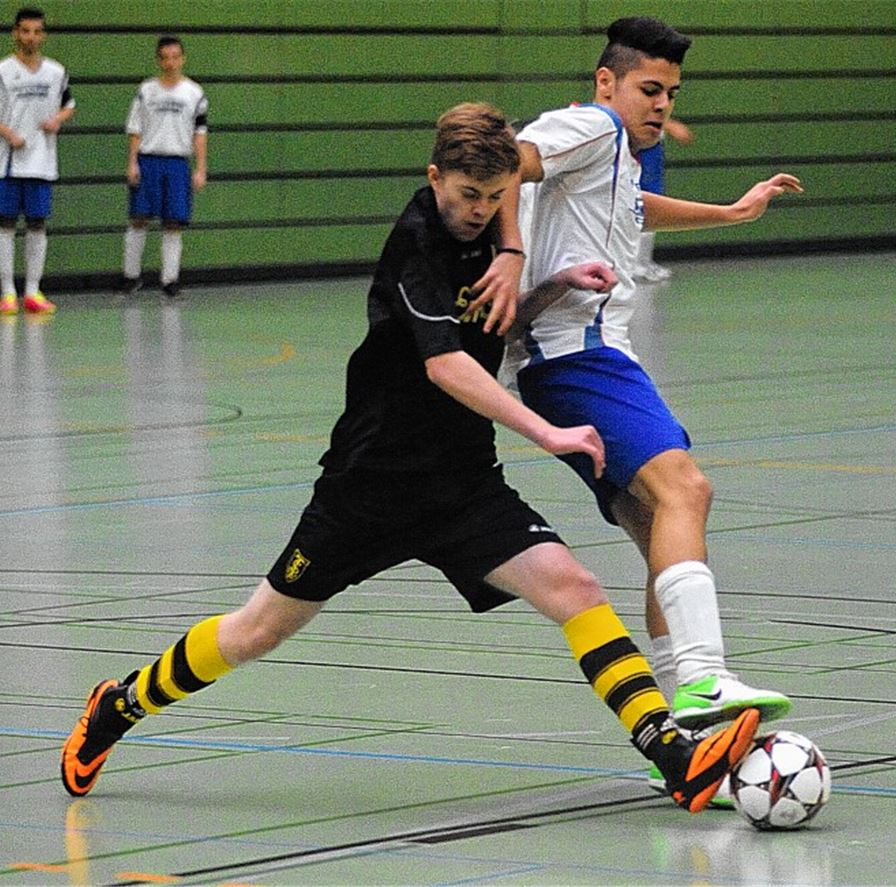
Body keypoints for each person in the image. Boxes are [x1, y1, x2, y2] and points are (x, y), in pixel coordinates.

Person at [61, 102, 760, 815]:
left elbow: (493, 320)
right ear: (435, 178)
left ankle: (672, 753)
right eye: (468, 196)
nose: (481, 211)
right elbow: (447, 363)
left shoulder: (496, 237)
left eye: (495, 198)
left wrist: (554, 284)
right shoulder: (416, 243)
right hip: (369, 488)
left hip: (462, 485)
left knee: (575, 587)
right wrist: (544, 432)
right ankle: (119, 704)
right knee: (256, 630)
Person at [505, 16, 803, 735]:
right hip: (576, 353)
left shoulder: (614, 154)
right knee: (687, 490)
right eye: (649, 88)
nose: (662, 104)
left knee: (657, 524)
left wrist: (731, 211)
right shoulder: (592, 129)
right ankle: (702, 676)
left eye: (671, 91)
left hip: (574, 356)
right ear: (606, 82)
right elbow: (507, 157)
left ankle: (686, 731)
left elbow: (633, 209)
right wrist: (508, 253)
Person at [0, 7, 75, 316]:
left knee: (37, 224)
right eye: (24, 31)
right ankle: (7, 292)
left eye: (36, 31)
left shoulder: (56, 72)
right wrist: (8, 133)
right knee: (5, 223)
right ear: (15, 33)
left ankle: (32, 291)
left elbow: (69, 104)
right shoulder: (0, 71)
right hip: (8, 161)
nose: (30, 37)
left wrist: (58, 118)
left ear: (43, 35)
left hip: (42, 161)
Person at [119, 36, 208, 298]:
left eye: (175, 57)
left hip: (178, 163)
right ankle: (130, 277)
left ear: (183, 59)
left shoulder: (195, 93)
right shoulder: (146, 90)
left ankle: (170, 280)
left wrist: (200, 168)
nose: (170, 63)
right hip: (148, 160)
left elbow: (200, 132)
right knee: (139, 218)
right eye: (165, 58)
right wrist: (132, 162)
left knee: (173, 222)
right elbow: (135, 128)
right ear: (158, 60)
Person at [633, 116, 695, 281]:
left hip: (651, 145)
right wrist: (669, 125)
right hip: (643, 146)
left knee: (649, 201)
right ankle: (638, 266)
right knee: (645, 202)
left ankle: (643, 263)